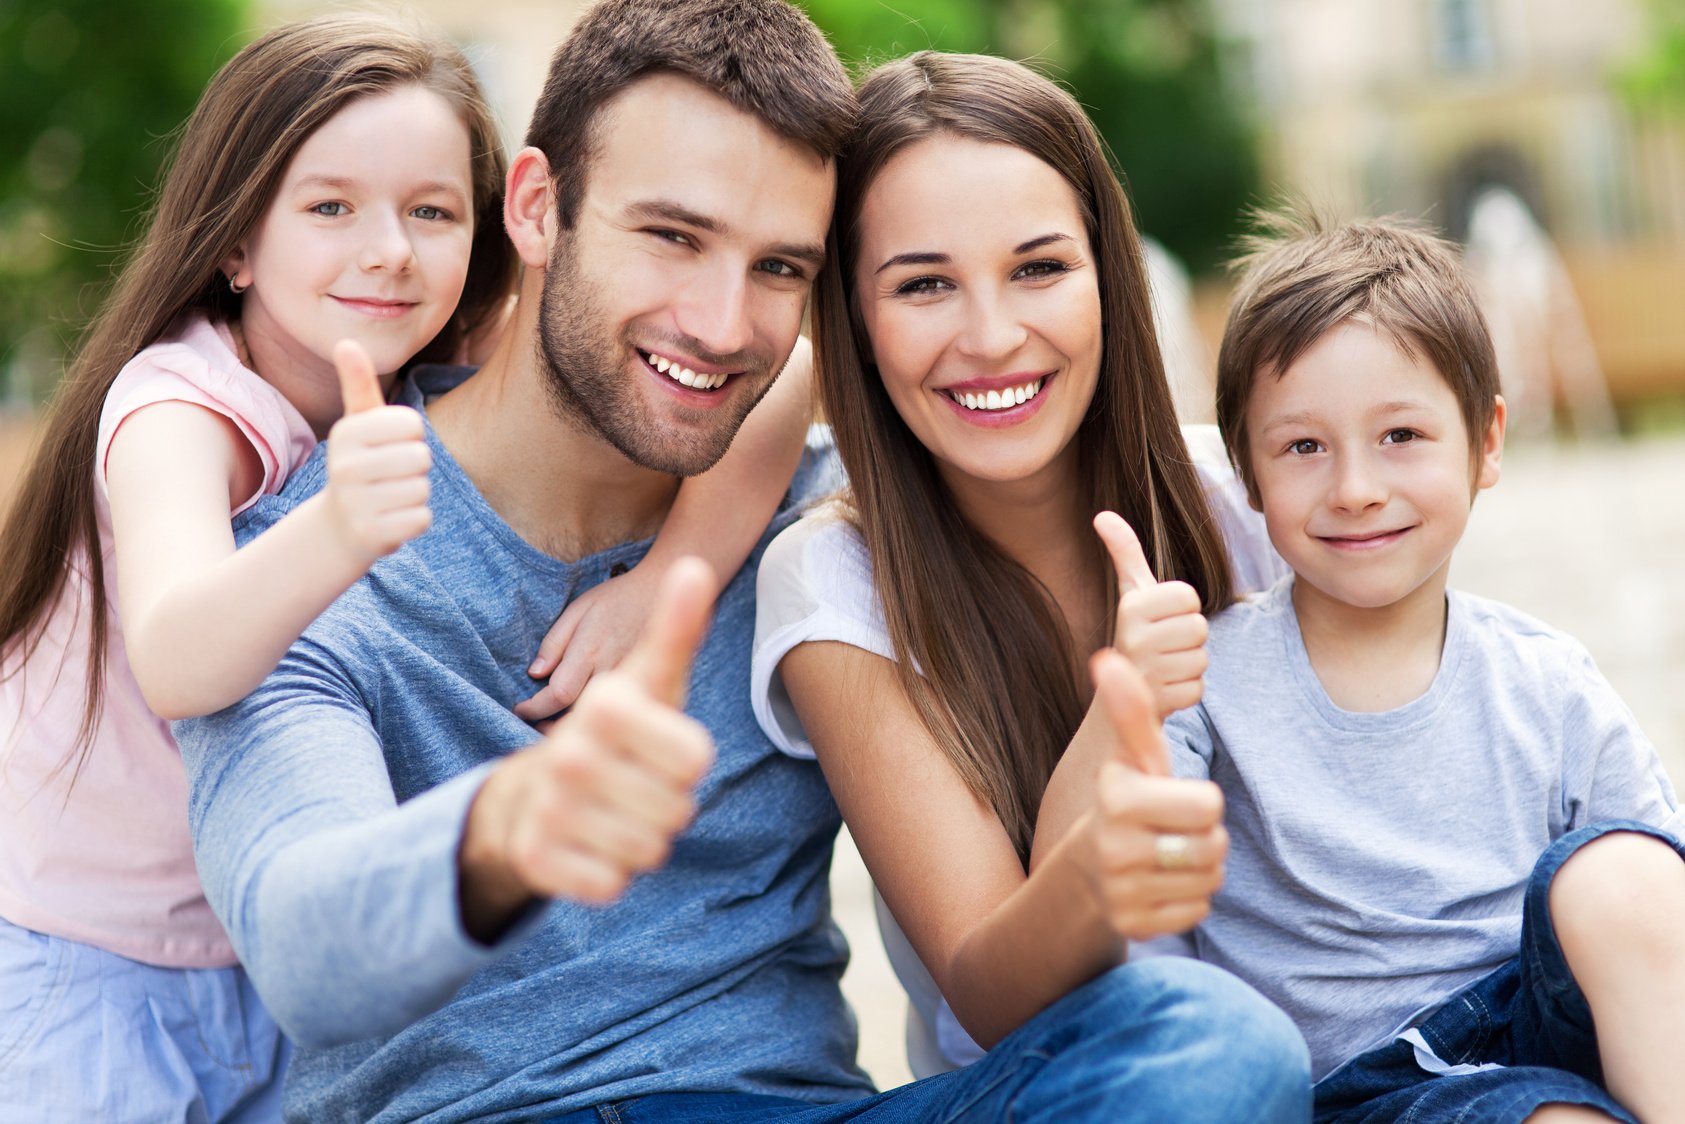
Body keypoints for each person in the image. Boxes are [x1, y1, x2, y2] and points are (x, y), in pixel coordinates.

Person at [0, 12, 807, 1120]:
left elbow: (790, 369)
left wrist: (672, 568)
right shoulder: (174, 409)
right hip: (92, 958)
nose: (388, 248)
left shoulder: (418, 354)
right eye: (330, 207)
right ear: (234, 242)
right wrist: (336, 533)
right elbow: (181, 658)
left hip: (239, 963)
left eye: (430, 212)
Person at [749, 50, 1309, 1112]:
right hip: (1074, 1083)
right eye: (922, 284)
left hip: (1338, 1047)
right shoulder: (835, 579)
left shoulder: (1245, 501)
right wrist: (1101, 838)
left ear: (1109, 273)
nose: (991, 336)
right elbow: (985, 990)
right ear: (854, 327)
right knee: (1220, 1043)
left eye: (1038, 268)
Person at [1135, 208, 1685, 1123]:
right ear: (1246, 471)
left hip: (1541, 1023)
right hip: (1369, 1090)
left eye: (1400, 437)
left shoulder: (1545, 683)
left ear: (1486, 442)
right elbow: (1143, 937)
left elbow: (1660, 919)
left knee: (1623, 869)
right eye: (1303, 447)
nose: (1355, 488)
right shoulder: (1202, 680)